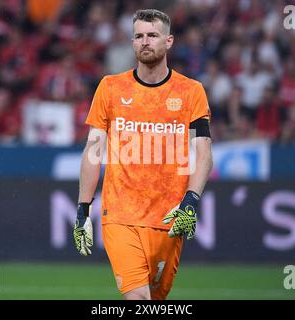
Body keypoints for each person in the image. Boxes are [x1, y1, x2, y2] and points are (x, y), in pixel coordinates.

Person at [73, 9, 213, 300]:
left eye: (152, 35)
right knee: (138, 298)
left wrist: (191, 200)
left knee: (155, 300)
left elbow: (203, 153)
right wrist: (83, 209)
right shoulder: (110, 88)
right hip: (120, 215)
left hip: (168, 218)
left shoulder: (191, 92)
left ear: (169, 41)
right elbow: (93, 150)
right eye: (138, 36)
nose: (145, 41)